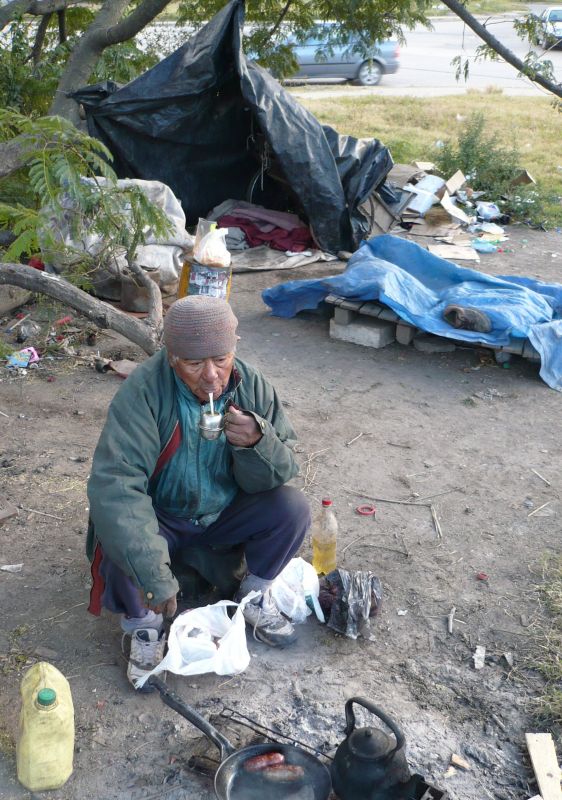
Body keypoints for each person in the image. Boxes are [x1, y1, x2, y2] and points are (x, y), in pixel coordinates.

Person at [86, 296, 310, 689]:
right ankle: (143, 628)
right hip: (162, 517)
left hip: (222, 512)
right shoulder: (143, 394)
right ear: (172, 357)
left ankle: (254, 596)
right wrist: (154, 576)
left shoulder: (250, 384)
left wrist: (258, 442)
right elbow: (118, 488)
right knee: (118, 534)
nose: (211, 376)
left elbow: (283, 468)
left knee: (290, 507)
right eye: (194, 363)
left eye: (221, 359)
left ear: (234, 349)